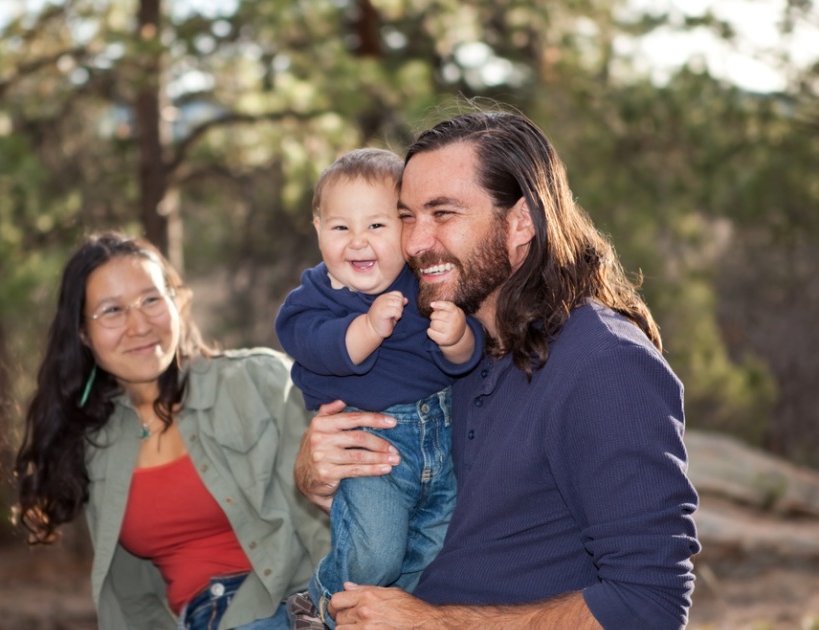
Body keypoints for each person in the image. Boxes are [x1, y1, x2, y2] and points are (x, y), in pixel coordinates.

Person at [294, 109, 701, 629]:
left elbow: (651, 605)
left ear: (521, 223)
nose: (415, 242)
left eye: (443, 214)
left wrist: (434, 625)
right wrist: (320, 476)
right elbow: (438, 517)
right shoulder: (444, 344)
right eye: (407, 216)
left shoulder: (606, 366)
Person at [14, 232, 330, 630]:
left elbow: (332, 518)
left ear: (177, 301)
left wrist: (342, 610)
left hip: (293, 609)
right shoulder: (96, 445)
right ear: (82, 335)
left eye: (150, 299)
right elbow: (133, 598)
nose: (138, 325)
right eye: (112, 311)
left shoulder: (261, 381)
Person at [274, 148, 484, 627]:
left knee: (433, 550)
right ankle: (324, 601)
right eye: (341, 227)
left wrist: (457, 338)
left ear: (406, 232)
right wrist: (368, 326)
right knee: (377, 553)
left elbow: (463, 361)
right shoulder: (313, 299)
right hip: (375, 452)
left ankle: (375, 617)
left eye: (377, 226)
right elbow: (322, 348)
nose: (357, 243)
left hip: (441, 443)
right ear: (318, 229)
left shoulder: (424, 287)